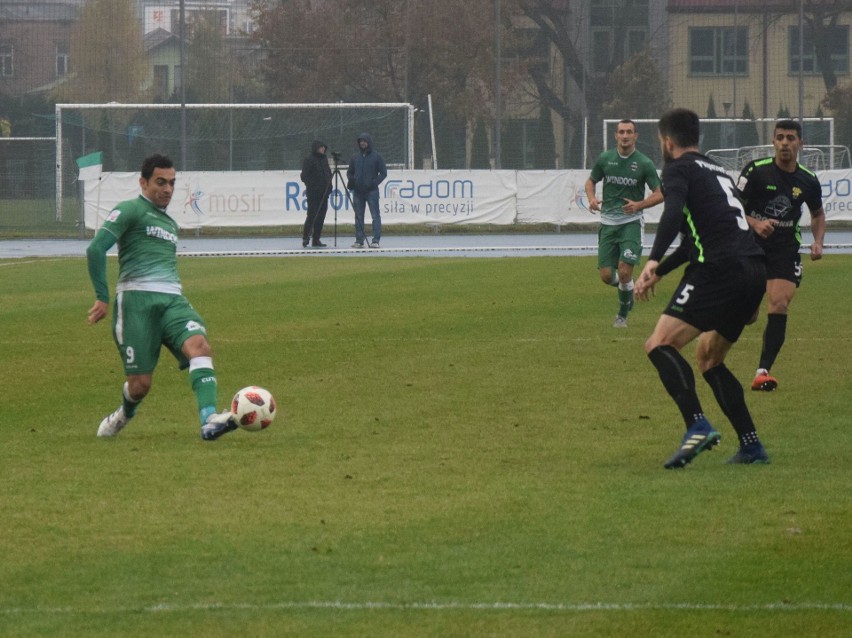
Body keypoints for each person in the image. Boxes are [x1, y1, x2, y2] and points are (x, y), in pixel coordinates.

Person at [635, 108, 769, 468]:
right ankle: (752, 445)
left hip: (719, 270)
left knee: (659, 344)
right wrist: (661, 271)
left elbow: (673, 211)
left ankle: (697, 425)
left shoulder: (678, 168)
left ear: (667, 141)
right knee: (709, 358)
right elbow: (698, 239)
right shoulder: (716, 170)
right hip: (754, 269)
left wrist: (651, 260)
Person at [86, 153, 238, 441]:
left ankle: (209, 419)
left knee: (200, 346)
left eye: (172, 183)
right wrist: (102, 297)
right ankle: (123, 414)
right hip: (136, 304)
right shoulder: (130, 210)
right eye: (160, 182)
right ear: (143, 182)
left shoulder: (170, 225)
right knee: (140, 385)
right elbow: (95, 249)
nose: (167, 189)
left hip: (172, 301)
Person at [736, 119, 825, 392]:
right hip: (751, 247)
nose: (785, 143)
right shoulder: (755, 171)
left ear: (800, 143)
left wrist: (818, 241)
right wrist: (755, 222)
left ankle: (762, 372)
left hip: (785, 250)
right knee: (747, 315)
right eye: (780, 138)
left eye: (790, 138)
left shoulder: (808, 180)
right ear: (773, 142)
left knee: (779, 302)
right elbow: (733, 205)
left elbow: (818, 215)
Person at [585, 119, 663, 328]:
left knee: (625, 270)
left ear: (636, 136)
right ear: (616, 136)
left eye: (629, 132)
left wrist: (640, 205)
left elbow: (661, 193)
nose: (625, 135)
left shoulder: (644, 163)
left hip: (631, 223)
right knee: (606, 276)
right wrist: (591, 198)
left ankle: (622, 316)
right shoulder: (605, 158)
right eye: (621, 132)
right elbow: (590, 181)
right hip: (608, 223)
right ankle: (627, 289)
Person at [346, 132, 387, 248]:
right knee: (358, 216)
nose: (362, 143)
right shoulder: (355, 157)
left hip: (372, 191)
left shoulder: (376, 156)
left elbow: (383, 173)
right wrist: (352, 180)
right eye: (361, 141)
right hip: (358, 192)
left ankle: (376, 240)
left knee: (375, 215)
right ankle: (359, 240)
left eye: (364, 141)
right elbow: (349, 172)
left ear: (368, 142)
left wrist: (374, 183)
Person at [300, 139, 332, 248]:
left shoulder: (324, 160)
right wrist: (313, 186)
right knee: (312, 216)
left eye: (324, 147)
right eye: (321, 147)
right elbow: (304, 176)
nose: (323, 149)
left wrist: (329, 187)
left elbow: (328, 173)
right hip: (313, 194)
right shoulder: (309, 160)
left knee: (321, 217)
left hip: (324, 194)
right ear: (317, 148)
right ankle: (305, 237)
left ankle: (316, 239)